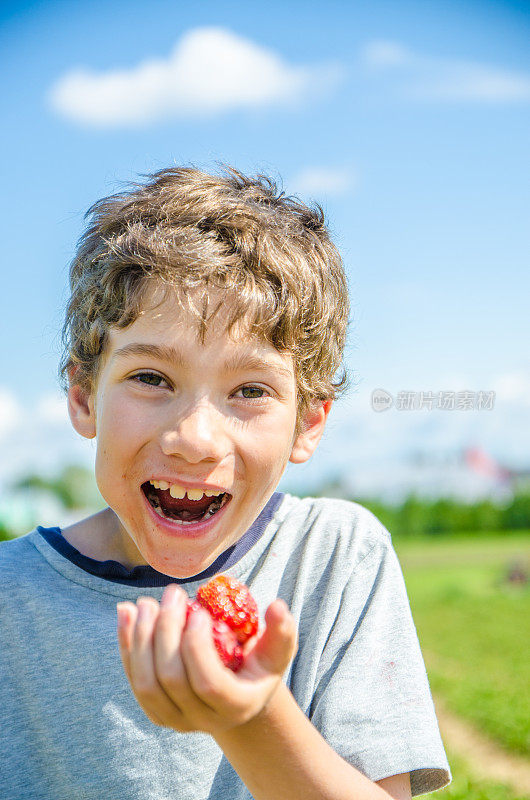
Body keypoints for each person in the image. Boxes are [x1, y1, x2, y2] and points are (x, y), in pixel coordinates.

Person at [0, 166, 451, 800]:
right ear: (82, 397)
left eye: (250, 390)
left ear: (308, 422)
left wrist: (252, 718)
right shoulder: (8, 602)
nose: (196, 439)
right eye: (152, 378)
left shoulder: (336, 556)